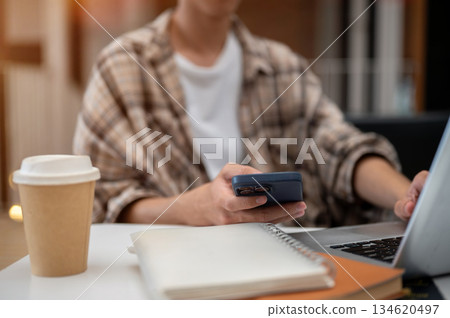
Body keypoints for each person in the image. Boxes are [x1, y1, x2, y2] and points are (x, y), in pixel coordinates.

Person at [73, 0, 427, 226]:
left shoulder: (282, 67)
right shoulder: (122, 68)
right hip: (180, 272)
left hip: (291, 260)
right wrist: (193, 210)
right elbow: (101, 199)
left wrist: (408, 198)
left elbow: (341, 148)